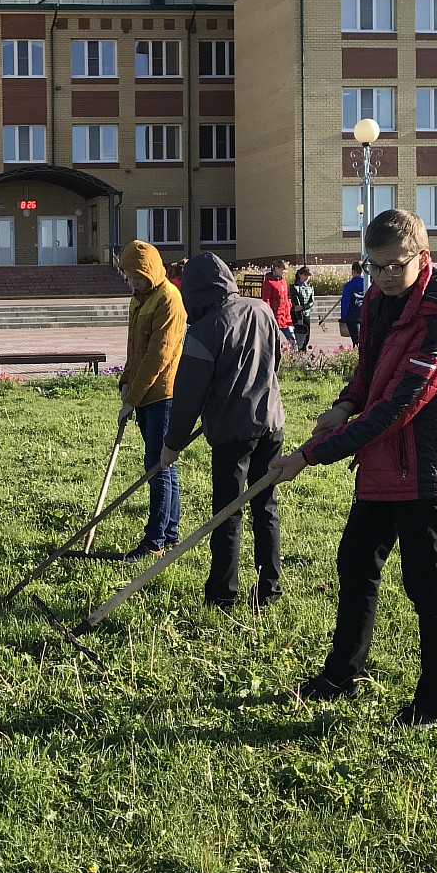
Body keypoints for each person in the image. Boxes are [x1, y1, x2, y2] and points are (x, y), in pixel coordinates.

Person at [271, 209, 437, 728]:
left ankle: (434, 704)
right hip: (381, 466)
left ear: (423, 258)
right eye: (374, 265)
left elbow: (394, 410)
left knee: (426, 583)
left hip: (421, 470)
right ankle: (343, 673)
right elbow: (370, 376)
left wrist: (308, 456)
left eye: (394, 265)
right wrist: (345, 404)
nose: (383, 275)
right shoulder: (378, 302)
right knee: (356, 563)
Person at [160, 252, 285, 611]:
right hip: (271, 422)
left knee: (227, 513)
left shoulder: (204, 330)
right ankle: (269, 590)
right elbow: (276, 359)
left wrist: (172, 444)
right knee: (266, 507)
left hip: (233, 432)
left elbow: (189, 395)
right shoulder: (261, 310)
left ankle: (221, 595)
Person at [117, 239, 186, 561]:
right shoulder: (139, 299)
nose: (132, 282)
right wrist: (125, 382)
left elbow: (158, 356)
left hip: (162, 395)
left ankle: (155, 541)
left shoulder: (169, 300)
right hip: (143, 394)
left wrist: (132, 399)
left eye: (137, 276)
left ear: (151, 271)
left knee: (158, 467)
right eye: (128, 276)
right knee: (162, 466)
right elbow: (135, 349)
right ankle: (170, 533)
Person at [260, 260, 295, 350]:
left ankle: (294, 355)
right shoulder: (269, 282)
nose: (285, 272)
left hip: (285, 316)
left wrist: (289, 306)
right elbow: (266, 299)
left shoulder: (283, 280)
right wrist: (268, 314)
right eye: (283, 269)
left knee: (292, 340)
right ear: (276, 268)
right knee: (273, 341)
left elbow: (286, 296)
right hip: (275, 316)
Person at [338, 260, 368, 346]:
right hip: (365, 315)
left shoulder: (349, 286)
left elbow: (345, 302)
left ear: (354, 271)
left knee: (356, 341)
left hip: (352, 316)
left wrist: (343, 317)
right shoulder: (368, 284)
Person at [289, 266, 316, 352]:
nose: (307, 277)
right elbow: (296, 304)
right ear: (300, 275)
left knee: (307, 336)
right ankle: (297, 353)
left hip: (306, 314)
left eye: (308, 275)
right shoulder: (294, 287)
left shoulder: (310, 286)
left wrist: (304, 307)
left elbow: (312, 301)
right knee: (299, 336)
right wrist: (299, 318)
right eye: (305, 275)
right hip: (297, 315)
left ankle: (303, 352)